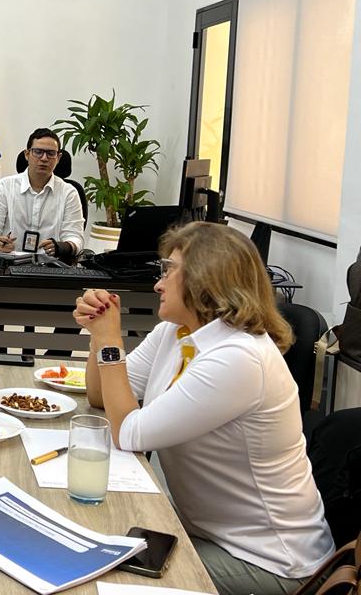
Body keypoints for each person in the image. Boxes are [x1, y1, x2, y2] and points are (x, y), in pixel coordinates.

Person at [73, 222, 334, 595]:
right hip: (208, 533)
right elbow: (104, 398)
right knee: (98, 547)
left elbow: (128, 432)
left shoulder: (239, 357)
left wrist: (110, 340)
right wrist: (99, 335)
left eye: (169, 271)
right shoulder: (178, 332)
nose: (158, 284)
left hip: (269, 561)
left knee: (111, 578)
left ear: (205, 281)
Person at [0, 127, 84, 258]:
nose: (44, 158)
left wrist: (62, 247)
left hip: (52, 266)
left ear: (58, 157)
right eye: (38, 152)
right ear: (27, 154)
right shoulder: (5, 186)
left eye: (51, 153)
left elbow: (76, 237)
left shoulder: (69, 193)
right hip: (10, 264)